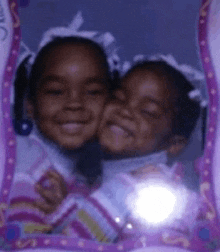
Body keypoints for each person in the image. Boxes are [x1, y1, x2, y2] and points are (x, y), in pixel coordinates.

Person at [35, 60, 201, 242]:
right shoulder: (96, 182)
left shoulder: (158, 189)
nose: (125, 111)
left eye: (147, 111)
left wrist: (65, 213)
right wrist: (66, 209)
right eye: (118, 98)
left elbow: (85, 243)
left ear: (174, 143)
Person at [7, 36, 112, 234]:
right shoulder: (22, 166)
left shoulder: (87, 178)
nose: (74, 103)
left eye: (92, 92)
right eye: (56, 91)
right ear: (30, 105)